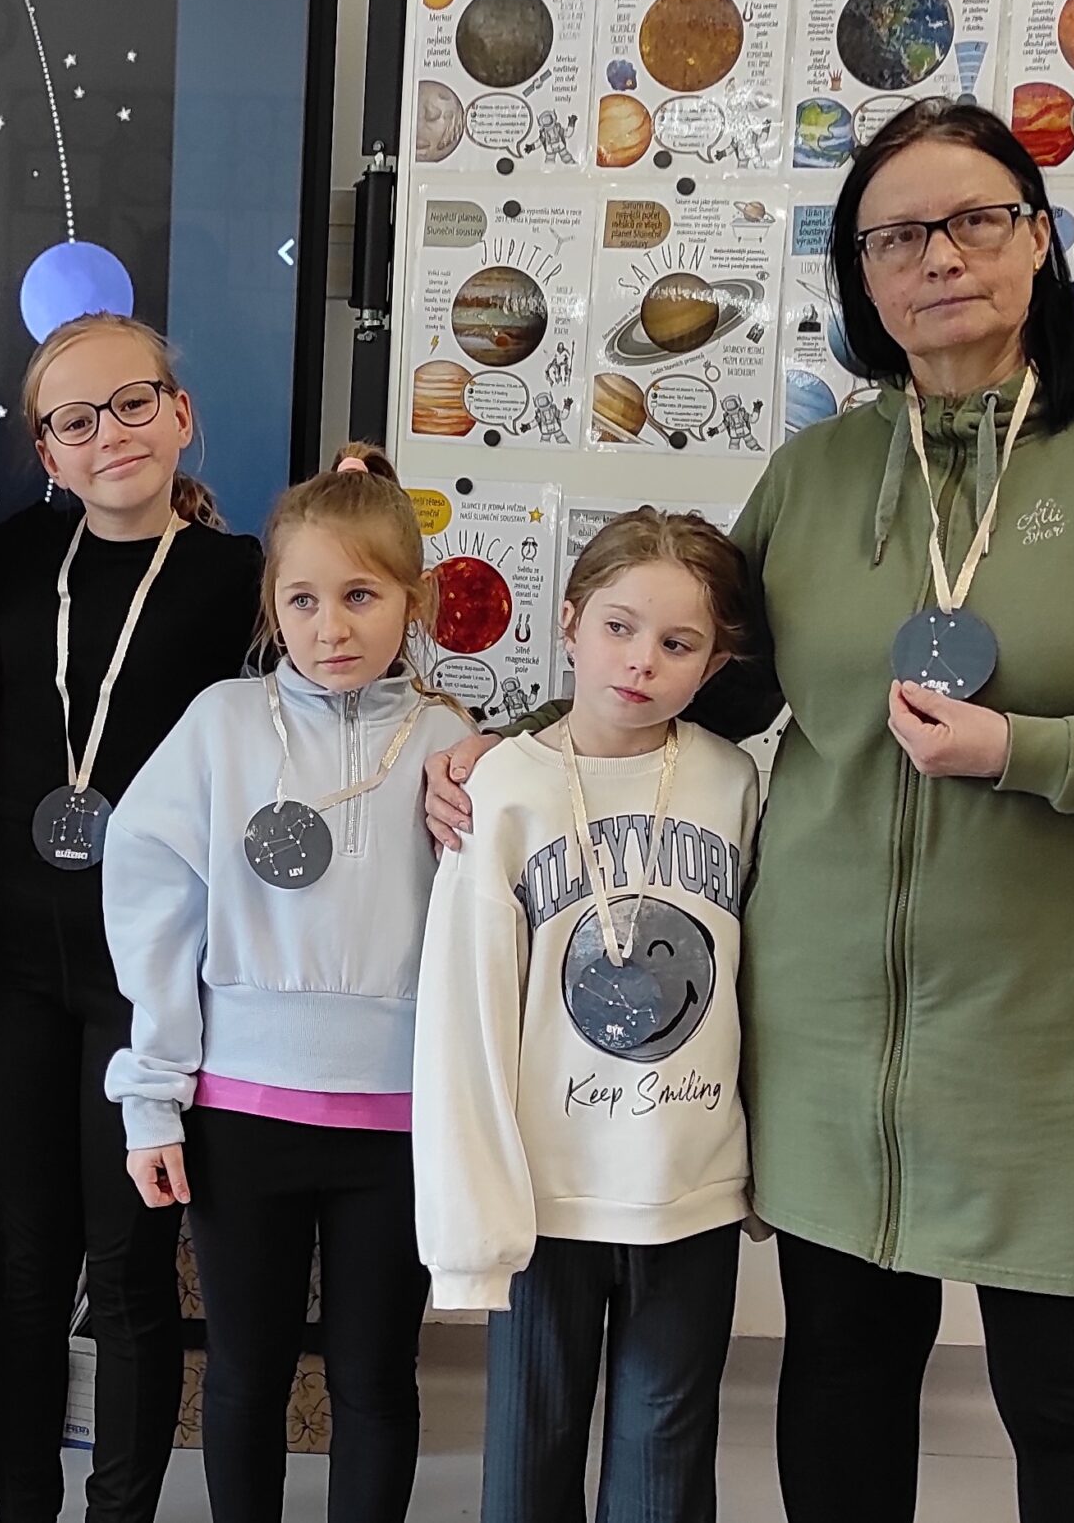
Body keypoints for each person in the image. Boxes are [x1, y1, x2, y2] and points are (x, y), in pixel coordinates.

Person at [427, 99, 1074, 1522]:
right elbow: (706, 683)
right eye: (895, 236)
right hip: (830, 1031)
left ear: (1038, 238)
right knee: (841, 1386)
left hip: (1053, 1031)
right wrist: (517, 742)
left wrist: (1027, 749)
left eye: (975, 219)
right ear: (860, 275)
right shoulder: (821, 472)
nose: (938, 257)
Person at [103, 445, 472, 1523]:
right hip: (241, 1117)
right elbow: (153, 910)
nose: (330, 628)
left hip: (397, 1123)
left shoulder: (452, 742)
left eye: (361, 596)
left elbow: (484, 936)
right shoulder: (221, 724)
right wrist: (151, 1098)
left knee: (374, 1378)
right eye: (302, 599)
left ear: (413, 601)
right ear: (272, 605)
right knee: (245, 1375)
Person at [0, 314, 261, 1523]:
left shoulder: (243, 581)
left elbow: (354, 691)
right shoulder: (5, 565)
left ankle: (119, 1514)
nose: (109, 434)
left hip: (155, 980)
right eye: (74, 421)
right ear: (47, 452)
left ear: (180, 414)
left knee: (131, 1268)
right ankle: (22, 1508)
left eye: (132, 404)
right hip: (12, 968)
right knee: (28, 1261)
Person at [415, 509, 762, 1523]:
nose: (641, 660)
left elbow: (754, 984)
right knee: (530, 1459)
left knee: (666, 1463)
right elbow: (466, 1012)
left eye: (677, 643)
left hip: (688, 1187)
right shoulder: (501, 786)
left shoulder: (731, 780)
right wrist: (471, 1223)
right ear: (568, 623)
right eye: (618, 627)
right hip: (546, 1196)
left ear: (715, 663)